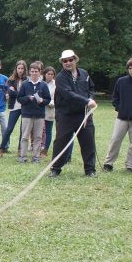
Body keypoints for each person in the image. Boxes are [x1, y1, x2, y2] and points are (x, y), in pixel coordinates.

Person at [50, 49, 97, 177]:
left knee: (88, 141)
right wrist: (87, 101)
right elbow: (68, 94)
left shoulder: (84, 74)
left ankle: (90, 170)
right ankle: (55, 168)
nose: (68, 63)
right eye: (65, 61)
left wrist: (91, 98)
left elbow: (91, 88)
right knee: (61, 142)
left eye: (70, 60)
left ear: (75, 60)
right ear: (62, 62)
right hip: (66, 115)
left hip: (84, 114)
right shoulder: (60, 78)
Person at [103, 57, 132, 173]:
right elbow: (115, 98)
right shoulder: (121, 81)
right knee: (115, 140)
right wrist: (119, 108)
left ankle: (130, 165)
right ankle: (108, 163)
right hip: (122, 117)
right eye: (130, 68)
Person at [16, 62, 51, 163]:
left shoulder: (43, 85)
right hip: (27, 114)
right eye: (32, 71)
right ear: (29, 72)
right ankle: (23, 156)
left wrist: (42, 101)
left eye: (36, 71)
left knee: (38, 137)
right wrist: (27, 98)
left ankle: (36, 157)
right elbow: (19, 98)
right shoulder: (25, 84)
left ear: (40, 73)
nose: (34, 73)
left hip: (39, 115)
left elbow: (48, 99)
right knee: (24, 136)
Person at [0, 60, 28, 157]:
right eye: (18, 68)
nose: (20, 70)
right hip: (14, 106)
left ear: (25, 69)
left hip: (25, 106)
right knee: (9, 128)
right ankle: (1, 148)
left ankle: (20, 149)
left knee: (23, 129)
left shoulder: (28, 80)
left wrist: (17, 93)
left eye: (22, 68)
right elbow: (10, 93)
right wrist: (21, 94)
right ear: (16, 69)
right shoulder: (11, 80)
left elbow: (27, 94)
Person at [41, 66, 56, 157]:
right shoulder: (41, 83)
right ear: (44, 74)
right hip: (39, 109)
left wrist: (49, 102)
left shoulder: (55, 85)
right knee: (38, 130)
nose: (50, 76)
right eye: (48, 74)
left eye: (52, 74)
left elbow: (54, 98)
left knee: (48, 130)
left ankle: (45, 149)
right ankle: (37, 147)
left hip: (50, 109)